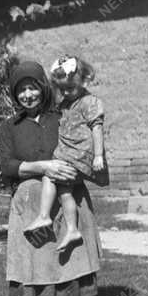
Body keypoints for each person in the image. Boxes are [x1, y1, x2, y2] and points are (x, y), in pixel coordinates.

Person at [0, 59, 102, 296]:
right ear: (14, 94)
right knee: (30, 269)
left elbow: (83, 146)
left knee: (66, 265)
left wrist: (73, 168)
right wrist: (44, 166)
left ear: (43, 88)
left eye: (32, 87)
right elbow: (7, 166)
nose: (27, 94)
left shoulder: (63, 117)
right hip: (30, 208)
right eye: (21, 90)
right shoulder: (9, 127)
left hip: (68, 200)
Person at [24, 55, 106, 252]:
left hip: (80, 156)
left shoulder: (90, 102)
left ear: (85, 81)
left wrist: (98, 155)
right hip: (68, 155)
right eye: (63, 89)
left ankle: (44, 217)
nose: (67, 93)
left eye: (71, 88)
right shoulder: (66, 104)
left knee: (50, 175)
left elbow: (97, 128)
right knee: (63, 189)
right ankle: (72, 229)